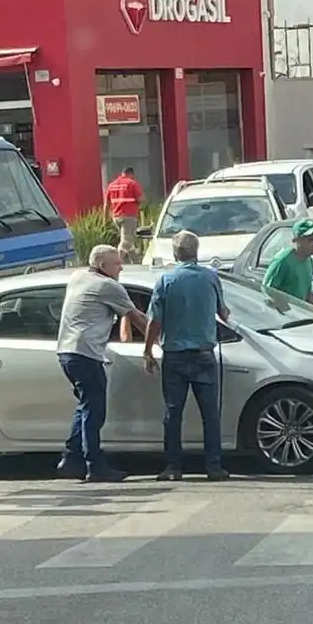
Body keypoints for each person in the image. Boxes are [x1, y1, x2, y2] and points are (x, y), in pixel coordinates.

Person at [143, 230, 230, 482]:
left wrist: (148, 350)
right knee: (210, 414)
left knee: (173, 413)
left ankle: (173, 467)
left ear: (174, 253)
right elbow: (223, 313)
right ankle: (213, 466)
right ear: (197, 251)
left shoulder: (165, 280)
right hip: (204, 354)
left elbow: (154, 321)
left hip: (175, 355)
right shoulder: (211, 278)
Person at [57, 245, 148, 483]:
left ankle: (71, 458)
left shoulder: (78, 277)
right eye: (116, 263)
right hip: (86, 354)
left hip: (66, 351)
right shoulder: (108, 286)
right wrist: (159, 339)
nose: (121, 267)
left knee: (85, 405)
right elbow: (137, 318)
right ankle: (94, 464)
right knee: (94, 410)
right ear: (102, 266)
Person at [262, 218, 313, 301]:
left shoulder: (309, 260)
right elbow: (267, 293)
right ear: (296, 241)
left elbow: (307, 295)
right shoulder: (282, 261)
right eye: (311, 239)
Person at [104, 167, 145, 264]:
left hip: (116, 216)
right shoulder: (132, 183)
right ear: (131, 174)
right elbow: (141, 198)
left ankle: (136, 262)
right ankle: (115, 262)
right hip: (129, 216)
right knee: (126, 241)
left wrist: (105, 219)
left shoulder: (112, 185)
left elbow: (107, 204)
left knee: (128, 240)